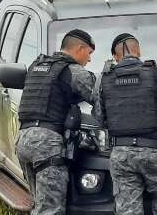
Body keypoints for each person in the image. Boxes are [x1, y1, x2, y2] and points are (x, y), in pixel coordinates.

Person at [92, 33, 157, 215]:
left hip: (121, 154)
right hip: (154, 151)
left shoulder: (104, 78)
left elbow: (99, 118)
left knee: (127, 209)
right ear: (138, 51)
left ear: (115, 56)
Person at [15, 29, 96, 215]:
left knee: (39, 205)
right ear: (80, 49)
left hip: (23, 140)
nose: (89, 59)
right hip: (47, 145)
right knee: (51, 210)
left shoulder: (38, 66)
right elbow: (103, 94)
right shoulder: (72, 71)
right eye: (89, 53)